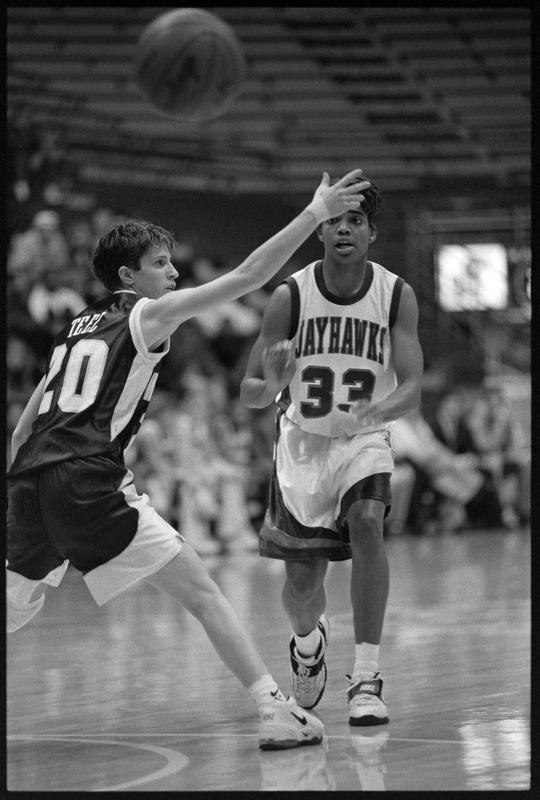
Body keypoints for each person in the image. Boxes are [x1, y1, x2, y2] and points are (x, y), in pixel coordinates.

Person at [6, 168, 368, 751]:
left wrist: (25, 489)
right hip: (86, 478)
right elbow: (249, 276)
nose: (173, 273)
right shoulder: (145, 316)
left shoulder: (74, 330)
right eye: (160, 264)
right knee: (202, 593)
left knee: (12, 610)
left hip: (29, 480)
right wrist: (314, 214)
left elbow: (25, 428)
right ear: (128, 276)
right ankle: (274, 709)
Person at [240, 176, 424, 726]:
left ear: (372, 233)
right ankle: (307, 644)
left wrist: (380, 412)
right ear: (319, 230)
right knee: (302, 589)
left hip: (364, 437)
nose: (344, 229)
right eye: (334, 220)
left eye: (355, 221)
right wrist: (274, 382)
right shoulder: (290, 296)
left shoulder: (396, 294)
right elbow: (250, 392)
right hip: (302, 443)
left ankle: (366, 677)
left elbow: (414, 387)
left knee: (368, 522)